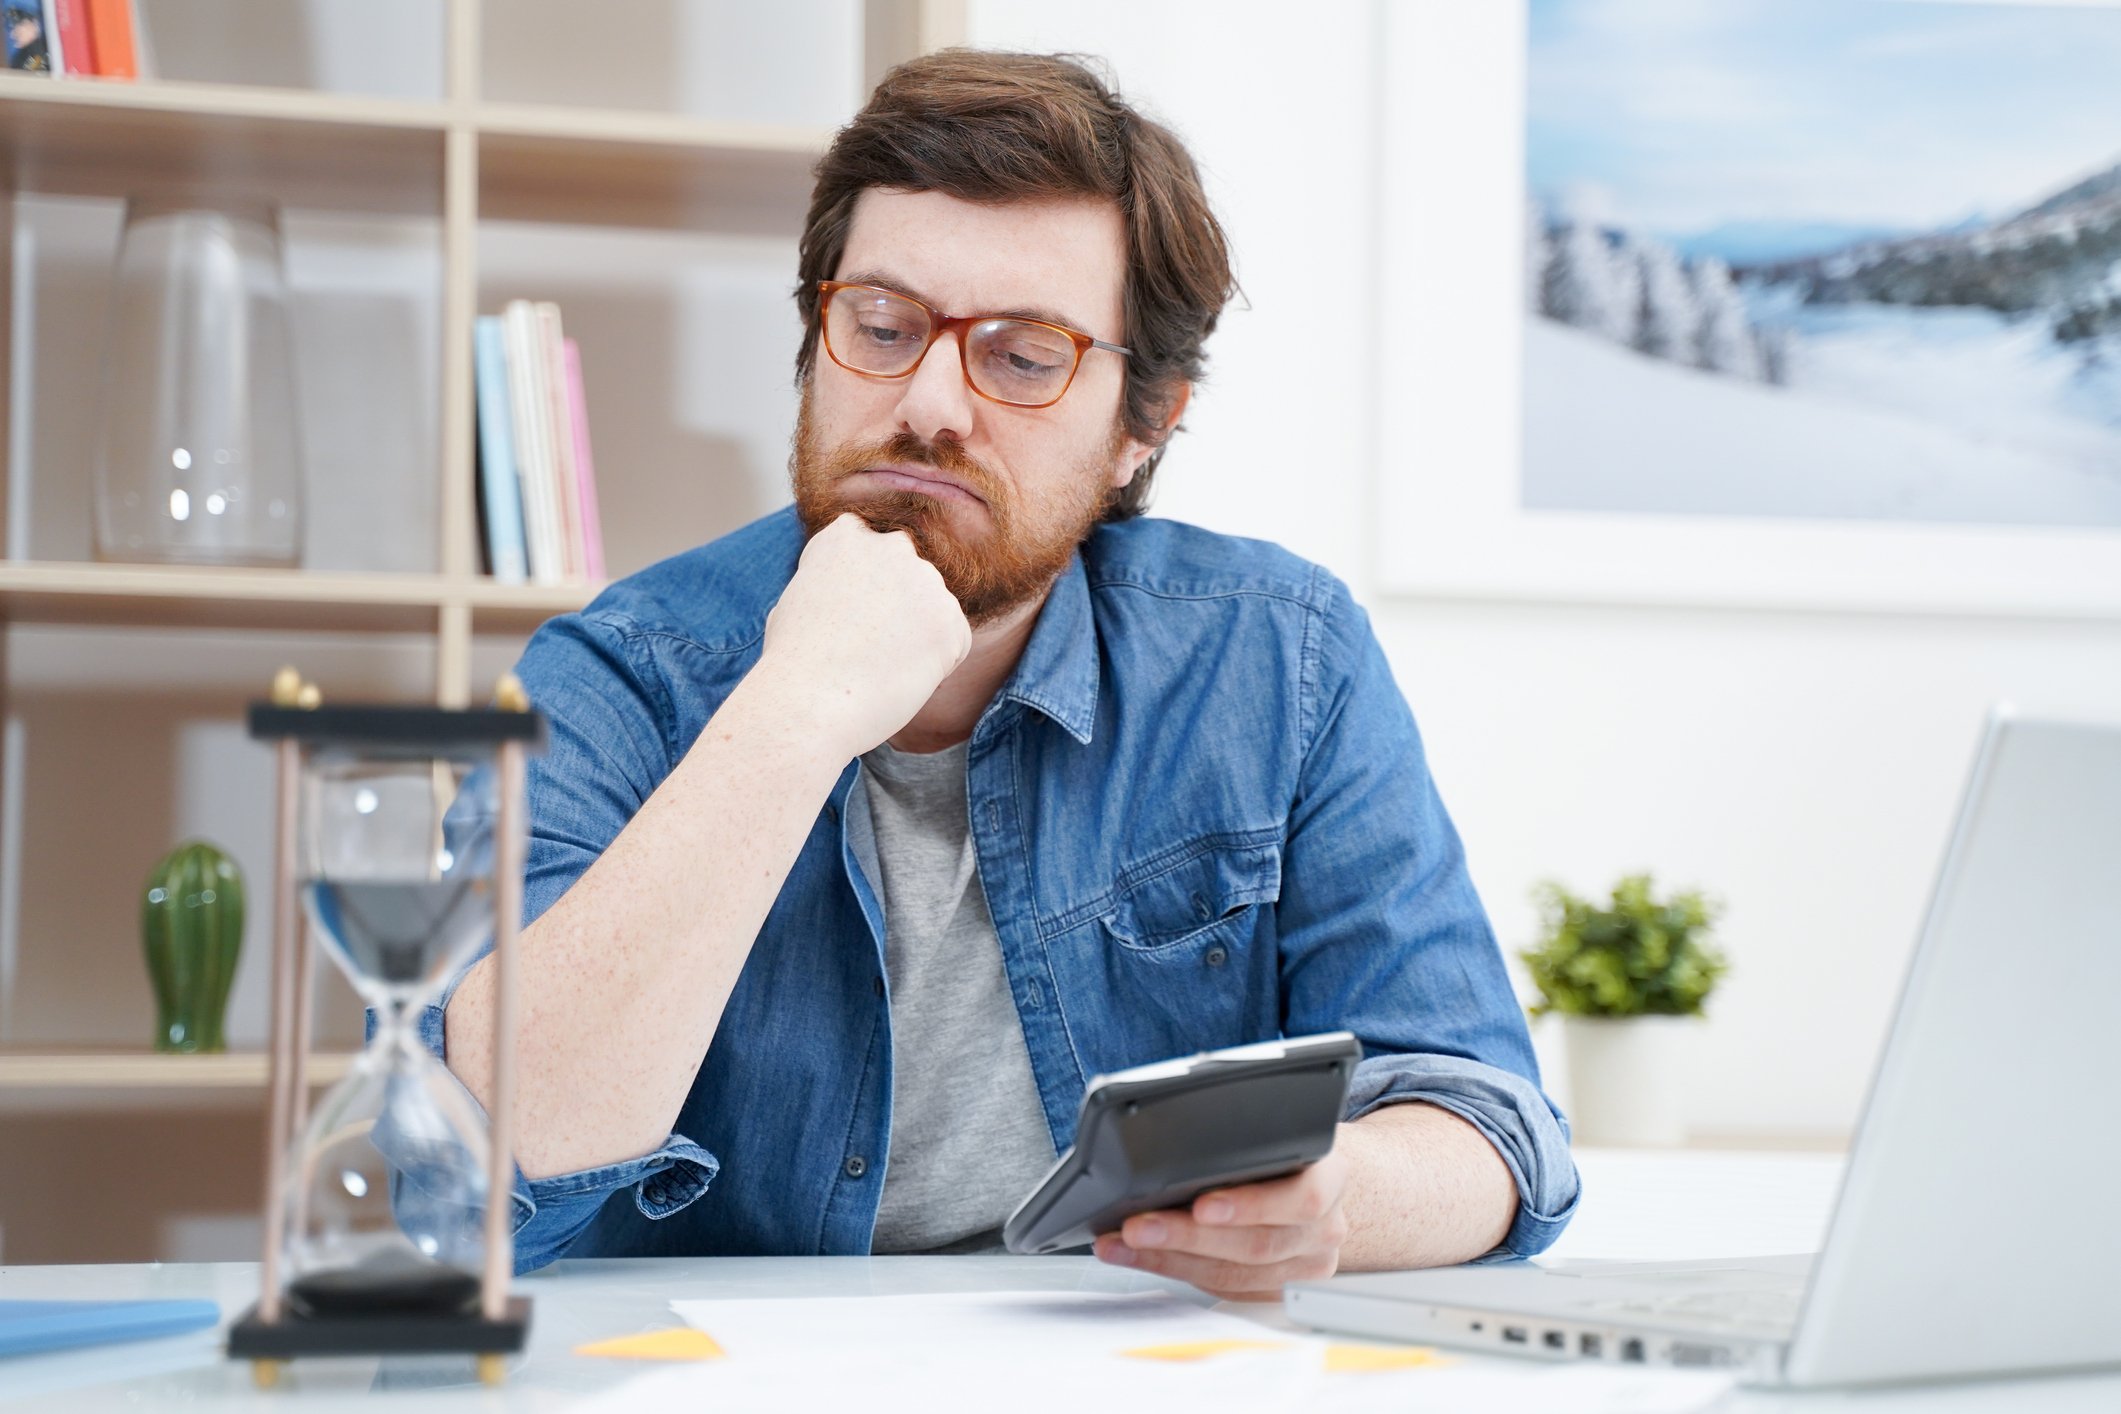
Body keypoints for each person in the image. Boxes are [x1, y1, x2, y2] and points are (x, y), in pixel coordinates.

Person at [434, 49, 1577, 1300]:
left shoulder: (1280, 655)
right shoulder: (620, 670)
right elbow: (496, 1152)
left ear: (1143, 426)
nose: (927, 403)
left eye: (1024, 356)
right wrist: (793, 711)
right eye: (881, 325)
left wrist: (1333, 1202)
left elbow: (1489, 1121)